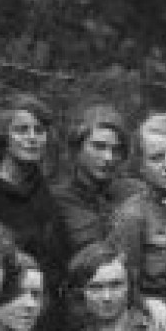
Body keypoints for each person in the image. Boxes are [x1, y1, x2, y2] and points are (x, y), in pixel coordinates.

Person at [0, 92, 69, 286]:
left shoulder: (45, 191)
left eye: (39, 130)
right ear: (2, 135)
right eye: (22, 130)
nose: (32, 138)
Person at [110, 111, 166, 321]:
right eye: (157, 158)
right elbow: (122, 283)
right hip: (155, 317)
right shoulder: (132, 215)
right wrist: (148, 304)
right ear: (142, 166)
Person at [52, 102, 137, 258]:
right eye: (99, 146)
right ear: (77, 148)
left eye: (116, 149)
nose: (108, 157)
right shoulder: (55, 200)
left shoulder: (136, 193)